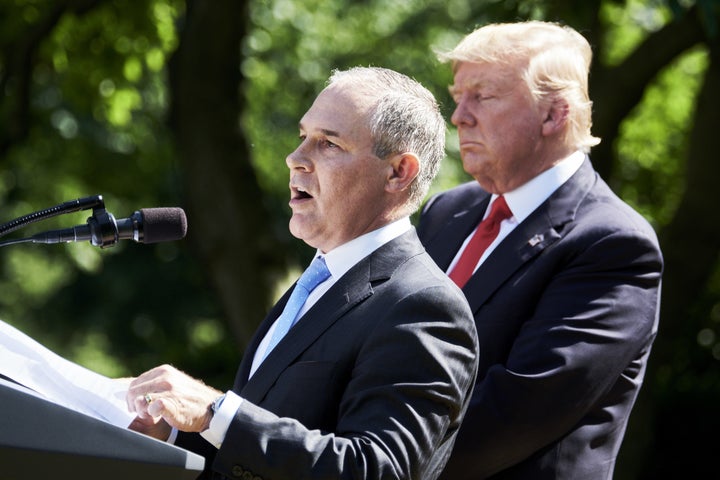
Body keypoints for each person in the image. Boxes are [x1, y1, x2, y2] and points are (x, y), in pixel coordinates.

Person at [125, 66, 479, 480]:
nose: (295, 159)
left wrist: (214, 412)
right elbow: (262, 438)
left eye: (328, 143)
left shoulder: (423, 305)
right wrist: (172, 431)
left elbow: (374, 470)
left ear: (398, 172)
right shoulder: (319, 280)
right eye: (302, 138)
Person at [416, 21, 663, 479]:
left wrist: (364, 457)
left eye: (482, 96)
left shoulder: (612, 244)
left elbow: (512, 416)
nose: (459, 116)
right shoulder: (445, 211)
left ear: (554, 114)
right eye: (458, 96)